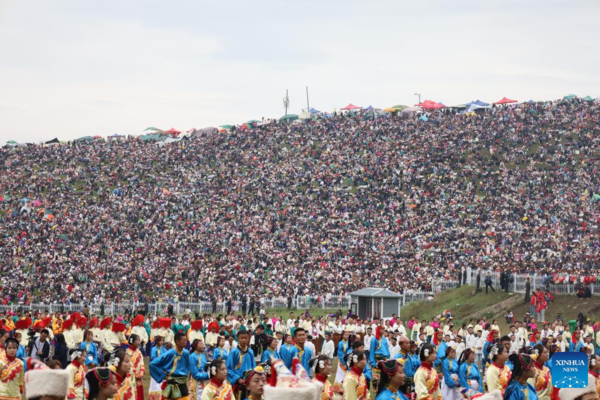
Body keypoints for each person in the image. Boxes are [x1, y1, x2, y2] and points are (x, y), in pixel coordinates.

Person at [150, 332, 206, 400]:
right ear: (177, 342)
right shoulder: (170, 353)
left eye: (186, 340)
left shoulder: (186, 353)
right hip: (171, 385)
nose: (186, 342)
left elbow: (191, 367)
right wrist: (163, 376)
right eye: (184, 340)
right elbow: (152, 364)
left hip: (183, 385)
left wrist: (205, 374)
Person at [227, 329, 256, 397]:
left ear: (248, 338)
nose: (244, 340)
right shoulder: (234, 352)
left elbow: (254, 367)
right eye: (242, 338)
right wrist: (238, 378)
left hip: (249, 381)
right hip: (238, 383)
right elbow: (228, 368)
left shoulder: (250, 351)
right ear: (238, 339)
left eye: (246, 338)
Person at [126, 333, 145, 400]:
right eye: (137, 340)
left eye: (139, 340)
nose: (138, 342)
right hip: (131, 377)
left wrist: (141, 373)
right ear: (132, 341)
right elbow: (130, 365)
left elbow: (142, 363)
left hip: (139, 376)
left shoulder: (139, 352)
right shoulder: (127, 352)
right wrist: (136, 375)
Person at [148, 335, 165, 400]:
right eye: (160, 340)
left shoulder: (164, 349)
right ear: (157, 341)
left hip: (162, 369)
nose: (161, 342)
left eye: (162, 340)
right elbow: (154, 358)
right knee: (154, 384)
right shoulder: (153, 349)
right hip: (155, 369)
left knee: (162, 384)